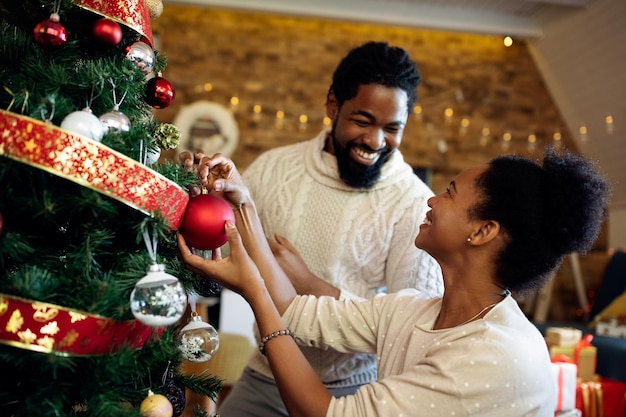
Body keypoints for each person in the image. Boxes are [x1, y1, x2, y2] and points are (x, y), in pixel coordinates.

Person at [178, 146, 611, 417]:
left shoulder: (497, 354)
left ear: (482, 232)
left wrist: (253, 291)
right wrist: (244, 205)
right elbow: (295, 310)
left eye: (450, 193)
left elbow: (324, 413)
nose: (431, 198)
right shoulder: (416, 310)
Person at [182, 41, 443, 416]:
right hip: (262, 377)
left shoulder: (415, 203)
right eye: (363, 121)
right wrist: (196, 202)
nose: (375, 141)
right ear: (333, 105)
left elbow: (410, 335)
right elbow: (219, 253)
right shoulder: (274, 168)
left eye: (392, 128)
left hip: (354, 394)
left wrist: (305, 284)